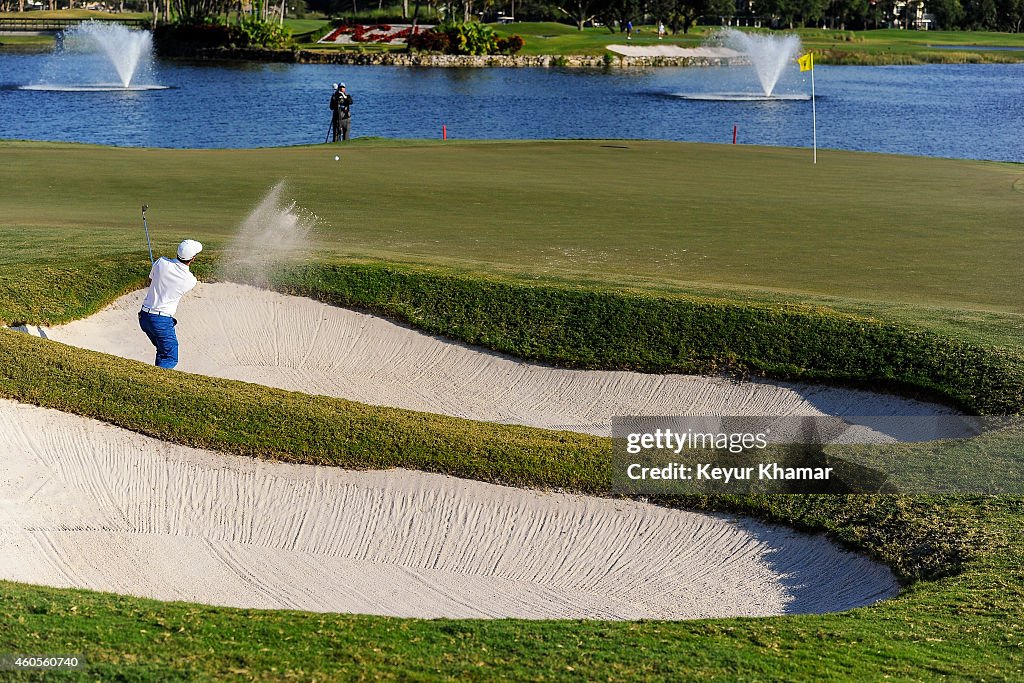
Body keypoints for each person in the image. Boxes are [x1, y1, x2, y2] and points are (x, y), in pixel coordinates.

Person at [138, 239, 202, 370]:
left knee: (163, 351)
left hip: (144, 317)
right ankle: (157, 382)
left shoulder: (161, 262)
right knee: (170, 356)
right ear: (193, 259)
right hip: (161, 321)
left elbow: (151, 278)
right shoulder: (190, 280)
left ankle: (157, 375)